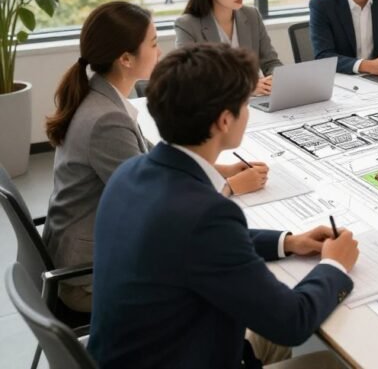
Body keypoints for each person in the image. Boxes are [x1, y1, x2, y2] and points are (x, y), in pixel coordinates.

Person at [88, 44, 359, 369]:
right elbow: (292, 322)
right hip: (180, 355)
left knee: (266, 338)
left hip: (136, 352)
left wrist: (288, 242)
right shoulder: (206, 215)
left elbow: (195, 242)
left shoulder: (130, 172)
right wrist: (334, 266)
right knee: (328, 363)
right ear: (224, 121)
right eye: (245, 103)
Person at [42, 3, 267, 313]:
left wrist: (223, 169)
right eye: (152, 43)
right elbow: (154, 208)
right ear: (125, 59)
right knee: (221, 284)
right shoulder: (106, 120)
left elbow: (153, 160)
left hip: (89, 248)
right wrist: (230, 187)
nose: (160, 51)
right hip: (89, 278)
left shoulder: (103, 96)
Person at [174, 0, 281, 96]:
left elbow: (271, 62)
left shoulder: (252, 15)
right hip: (215, 108)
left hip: (257, 104)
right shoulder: (187, 25)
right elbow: (191, 80)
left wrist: (274, 79)